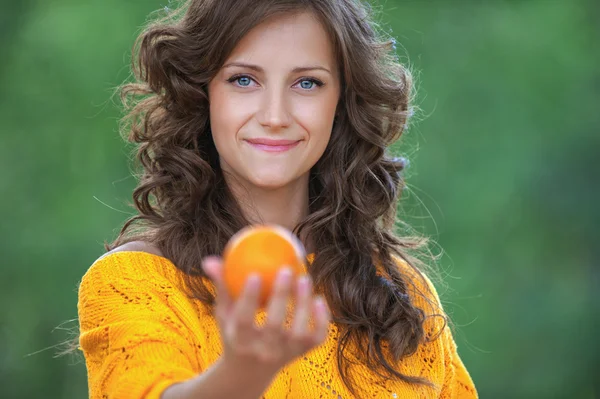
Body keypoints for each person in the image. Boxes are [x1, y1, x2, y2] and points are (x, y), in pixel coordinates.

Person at [76, 0, 478, 398]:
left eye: (307, 83)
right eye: (244, 80)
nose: (274, 115)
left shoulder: (402, 294)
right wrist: (242, 374)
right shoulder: (132, 281)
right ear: (202, 94)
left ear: (341, 103)